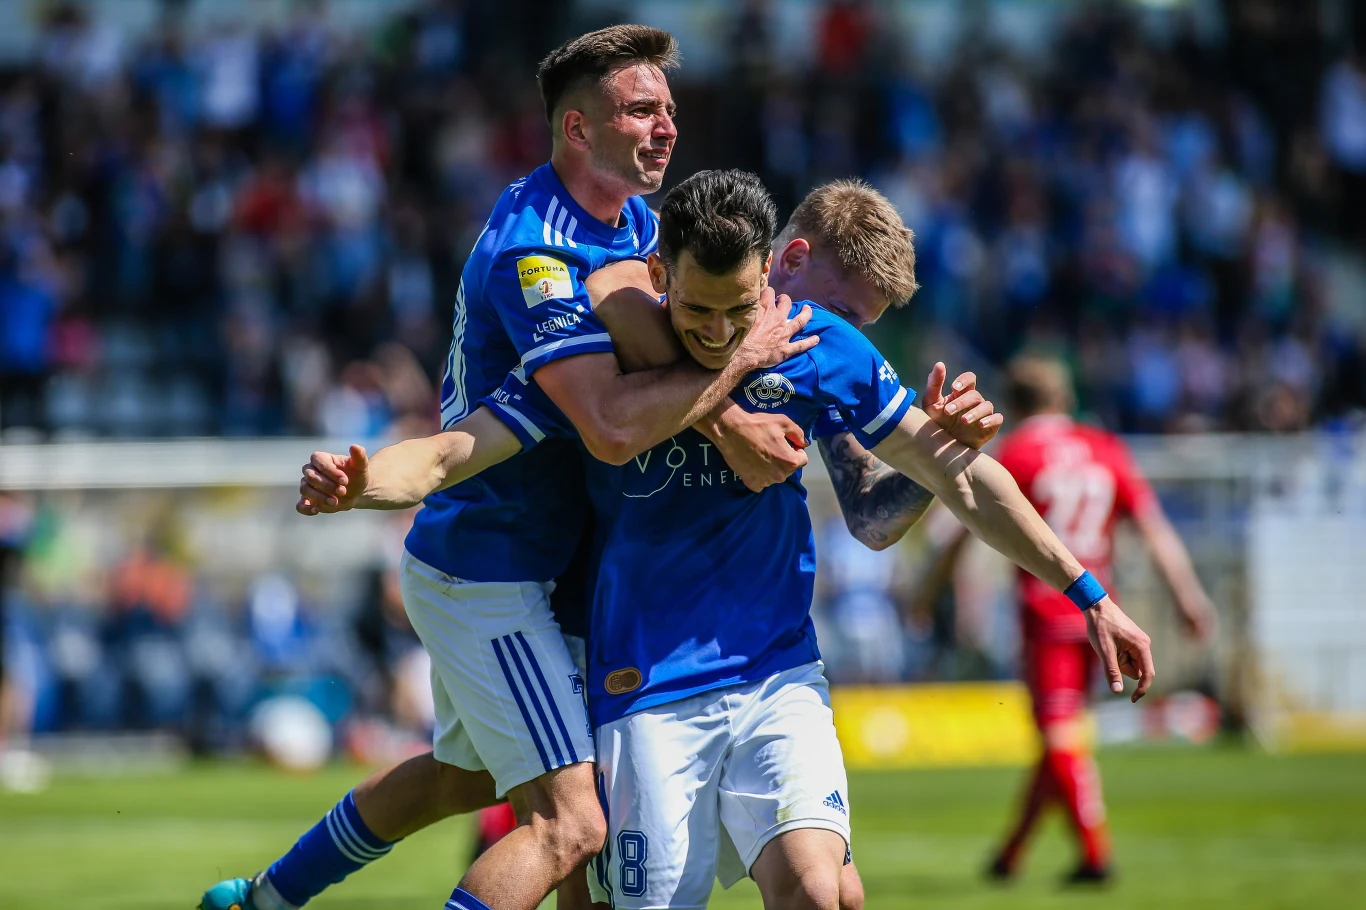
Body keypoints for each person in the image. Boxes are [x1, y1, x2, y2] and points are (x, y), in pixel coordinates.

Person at [301, 170, 1156, 908]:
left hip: (775, 668)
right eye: (700, 310)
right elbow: (453, 449)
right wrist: (360, 483)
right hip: (642, 685)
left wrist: (1090, 594)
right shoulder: (607, 361)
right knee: (528, 828)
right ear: (673, 278)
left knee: (826, 892)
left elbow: (952, 483)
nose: (717, 330)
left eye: (737, 313)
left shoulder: (822, 346)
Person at [200, 25, 814, 910]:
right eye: (642, 111)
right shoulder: (538, 249)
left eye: (670, 110)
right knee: (573, 825)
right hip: (493, 569)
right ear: (577, 128)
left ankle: (262, 899)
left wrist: (737, 413)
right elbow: (607, 424)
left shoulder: (640, 225)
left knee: (464, 779)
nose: (667, 128)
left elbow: (660, 368)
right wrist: (738, 378)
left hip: (563, 566)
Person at [920, 354, 1214, 884]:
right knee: (1064, 739)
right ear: (1064, 398)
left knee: (1059, 739)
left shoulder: (1016, 452)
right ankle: (1010, 854)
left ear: (1014, 403)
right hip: (1104, 613)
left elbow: (965, 523)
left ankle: (1095, 856)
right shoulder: (1104, 448)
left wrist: (929, 591)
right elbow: (1154, 529)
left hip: (1048, 609)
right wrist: (1188, 598)